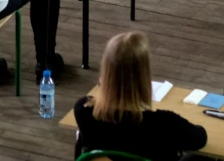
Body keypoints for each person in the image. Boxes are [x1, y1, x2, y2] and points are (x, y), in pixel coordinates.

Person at [72, 32, 206, 161]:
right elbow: (200, 138)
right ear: (143, 77)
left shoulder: (83, 110)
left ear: (106, 73)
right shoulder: (165, 124)